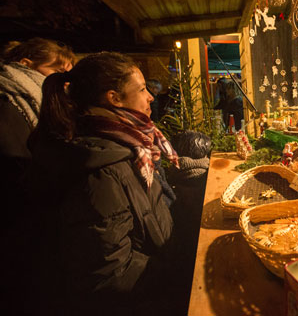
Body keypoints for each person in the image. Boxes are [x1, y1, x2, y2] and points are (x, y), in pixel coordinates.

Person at [26, 52, 183, 315]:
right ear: (114, 98)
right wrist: (183, 272)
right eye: (142, 89)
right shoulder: (100, 170)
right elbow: (111, 274)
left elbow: (147, 211)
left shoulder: (129, 145)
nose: (151, 97)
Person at [0, 38, 75, 218]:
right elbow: (14, 163)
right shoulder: (6, 103)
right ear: (25, 65)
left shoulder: (40, 104)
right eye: (58, 72)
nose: (65, 82)